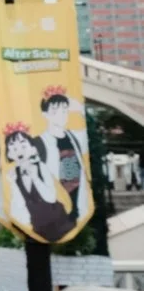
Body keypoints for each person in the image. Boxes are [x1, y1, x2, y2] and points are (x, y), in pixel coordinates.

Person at [38, 87, 90, 223]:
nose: (61, 115)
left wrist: (79, 109)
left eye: (64, 110)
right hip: (55, 206)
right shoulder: (39, 142)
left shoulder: (74, 137)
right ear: (45, 114)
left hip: (77, 201)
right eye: (54, 111)